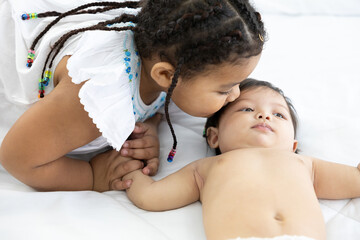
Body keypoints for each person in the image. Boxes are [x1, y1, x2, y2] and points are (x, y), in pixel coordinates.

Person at [0, 0, 265, 192]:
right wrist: (93, 175)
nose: (235, 95)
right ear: (165, 76)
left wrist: (150, 123)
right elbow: (18, 158)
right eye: (224, 89)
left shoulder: (166, 54)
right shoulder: (93, 97)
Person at [123, 78, 360, 240]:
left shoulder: (305, 164)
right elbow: (151, 196)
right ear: (214, 137)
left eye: (278, 114)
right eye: (246, 109)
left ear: (293, 145)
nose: (264, 115)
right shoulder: (207, 168)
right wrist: (129, 167)